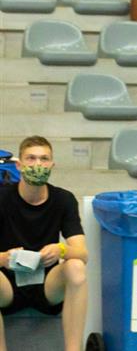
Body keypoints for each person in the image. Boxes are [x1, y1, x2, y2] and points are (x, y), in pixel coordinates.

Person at [0, 137, 89, 351]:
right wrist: (4, 258)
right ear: (19, 165)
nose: (37, 164)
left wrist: (61, 249)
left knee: (76, 267)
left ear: (52, 165)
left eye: (44, 159)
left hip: (47, 285)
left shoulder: (64, 199)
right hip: (7, 286)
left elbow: (82, 253)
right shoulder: (2, 198)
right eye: (31, 158)